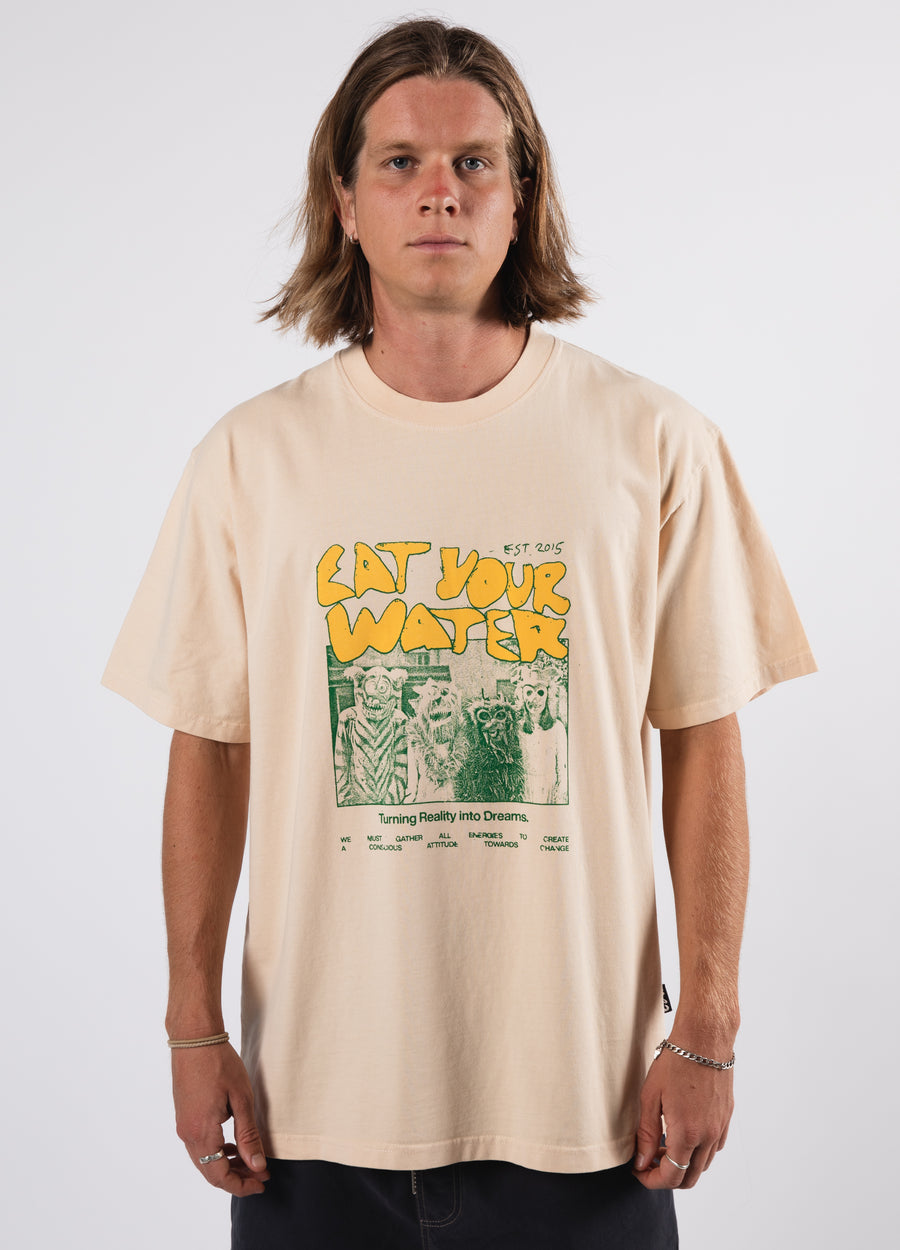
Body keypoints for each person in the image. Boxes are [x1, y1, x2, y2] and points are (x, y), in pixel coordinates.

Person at [102, 18, 816, 1249]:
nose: (440, 191)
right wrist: (190, 1023)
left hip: (590, 1113)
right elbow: (209, 749)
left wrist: (708, 1025)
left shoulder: (652, 443)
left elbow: (704, 737)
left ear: (522, 194)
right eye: (401, 162)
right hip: (313, 1114)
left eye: (475, 161)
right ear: (344, 200)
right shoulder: (251, 458)